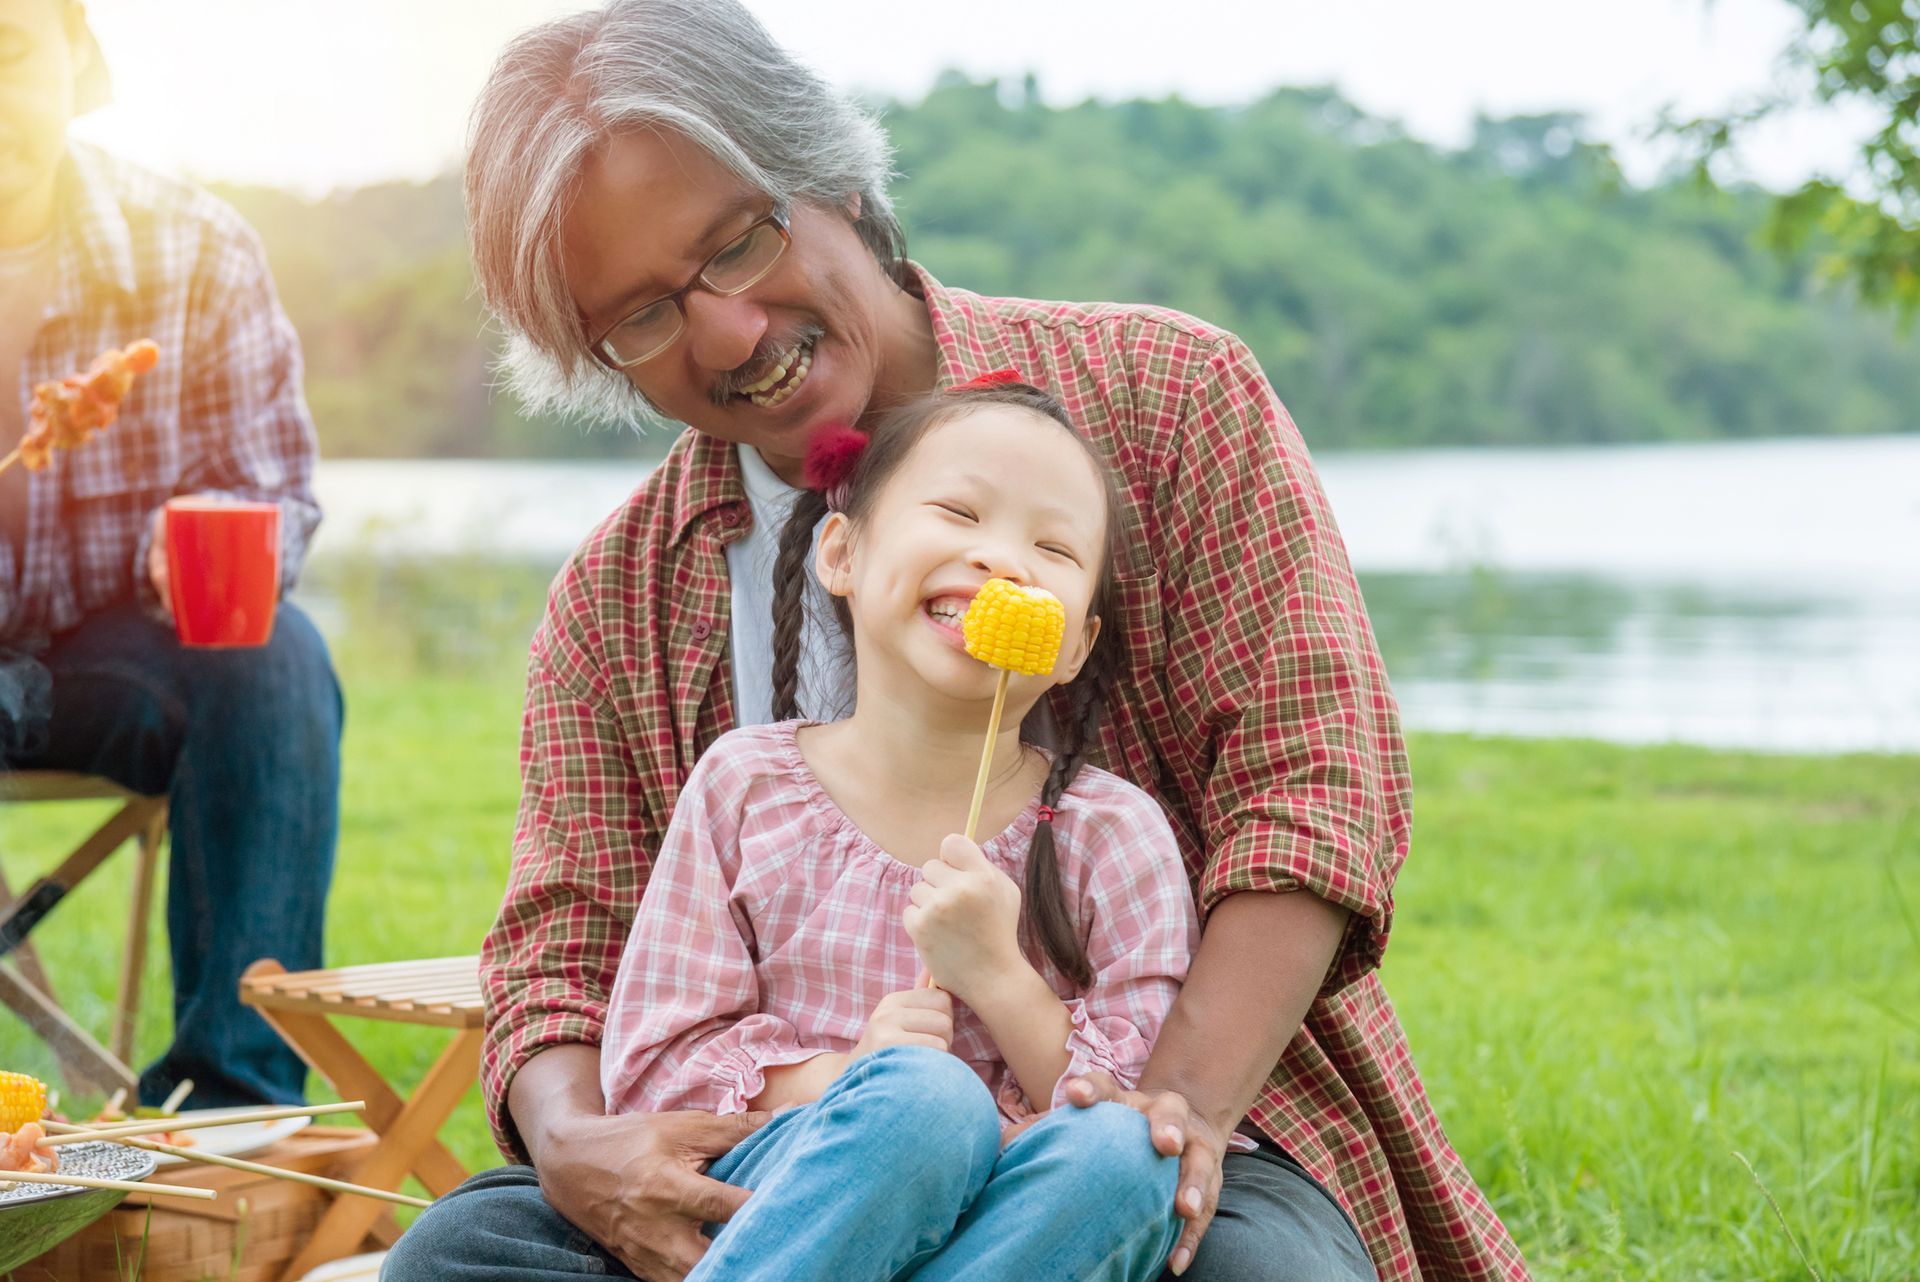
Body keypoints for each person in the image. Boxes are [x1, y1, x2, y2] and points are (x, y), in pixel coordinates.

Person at [393, 2, 1533, 1279]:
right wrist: (572, 1148)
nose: (729, 332)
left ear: (830, 178)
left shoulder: (1170, 398)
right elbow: (563, 944)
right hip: (775, 1160)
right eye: (643, 317)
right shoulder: (615, 598)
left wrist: (1173, 1118)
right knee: (464, 1251)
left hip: (1155, 1121)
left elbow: (1312, 795)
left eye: (736, 244)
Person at [610, 377, 1201, 1278]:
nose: (1003, 560)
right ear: (841, 554)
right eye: (959, 512)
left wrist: (999, 978)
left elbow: (1143, 1098)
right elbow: (657, 1065)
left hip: (1025, 1218)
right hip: (803, 1188)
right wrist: (851, 1073)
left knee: (1126, 1157)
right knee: (927, 1102)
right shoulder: (746, 786)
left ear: (1076, 643)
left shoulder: (1113, 835)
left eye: (1051, 545)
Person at [0, 0, 339, 1108]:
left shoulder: (192, 247)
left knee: (274, 652)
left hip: (116, 654)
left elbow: (274, 493)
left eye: (8, 51)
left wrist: (196, 541)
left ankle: (233, 1099)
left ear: (75, 61)